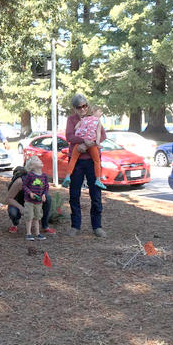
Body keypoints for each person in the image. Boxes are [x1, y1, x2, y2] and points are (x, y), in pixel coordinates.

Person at [65, 94, 107, 238]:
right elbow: (69, 136)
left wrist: (91, 143)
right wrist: (83, 142)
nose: (83, 109)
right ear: (74, 108)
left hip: (92, 161)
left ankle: (97, 226)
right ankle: (75, 226)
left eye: (85, 106)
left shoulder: (94, 117)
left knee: (95, 194)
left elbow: (102, 135)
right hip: (76, 161)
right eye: (79, 107)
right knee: (74, 194)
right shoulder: (71, 119)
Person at [62, 105, 106, 189]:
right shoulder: (97, 121)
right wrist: (96, 143)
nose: (101, 113)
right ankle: (98, 180)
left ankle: (67, 176)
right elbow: (98, 133)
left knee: (73, 160)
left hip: (79, 144)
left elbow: (75, 128)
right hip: (92, 144)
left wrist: (82, 138)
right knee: (97, 161)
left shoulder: (83, 119)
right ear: (94, 112)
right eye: (100, 111)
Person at [6, 166, 55, 235]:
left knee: (48, 199)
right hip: (19, 201)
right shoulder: (19, 182)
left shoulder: (39, 179)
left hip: (32, 200)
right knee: (13, 212)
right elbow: (8, 199)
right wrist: (20, 207)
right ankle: (15, 224)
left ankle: (45, 225)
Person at [21, 157, 48, 241]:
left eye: (39, 159)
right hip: (29, 201)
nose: (40, 160)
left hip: (38, 201)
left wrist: (44, 194)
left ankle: (37, 233)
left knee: (37, 217)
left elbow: (46, 187)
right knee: (29, 216)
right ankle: (28, 233)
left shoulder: (44, 176)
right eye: (37, 160)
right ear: (32, 166)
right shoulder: (30, 175)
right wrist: (30, 193)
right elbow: (24, 186)